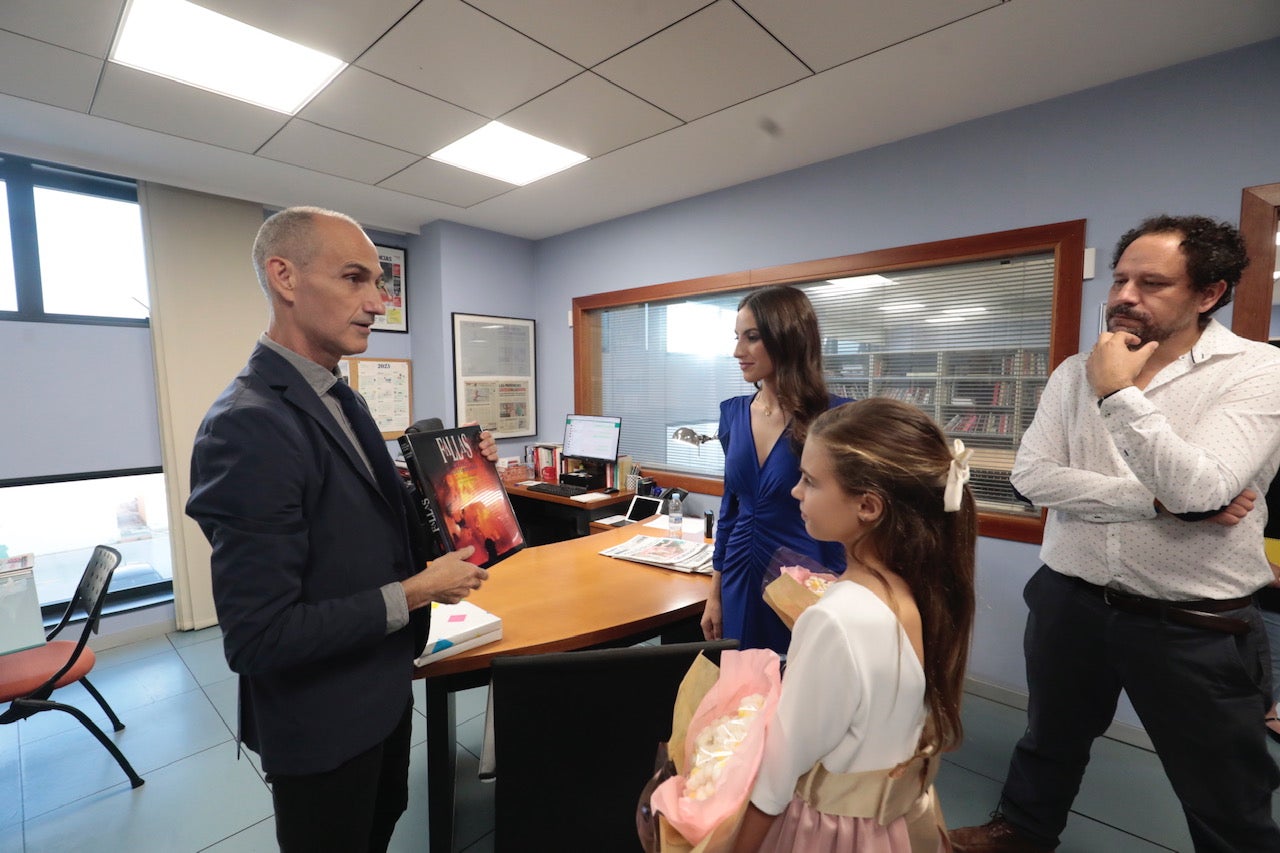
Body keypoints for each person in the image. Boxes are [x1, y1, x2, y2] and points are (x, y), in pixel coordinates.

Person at [950, 215, 1280, 853]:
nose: (1125, 295)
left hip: (1194, 622)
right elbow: (1032, 477)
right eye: (1121, 278)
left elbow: (1202, 489)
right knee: (1048, 740)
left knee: (1225, 790)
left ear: (1208, 294)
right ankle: (1019, 832)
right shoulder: (1073, 370)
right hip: (1069, 598)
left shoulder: (1257, 370)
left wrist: (1116, 393)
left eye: (1152, 283)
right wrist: (1155, 502)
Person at [186, 206, 493, 853]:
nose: (377, 302)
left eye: (378, 283)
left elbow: (362, 511)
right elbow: (259, 635)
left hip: (381, 693)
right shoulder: (246, 424)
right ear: (285, 277)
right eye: (355, 278)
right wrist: (416, 590)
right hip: (321, 723)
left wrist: (457, 474)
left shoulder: (339, 395)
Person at [731, 397, 977, 852]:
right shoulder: (920, 590)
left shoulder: (834, 619)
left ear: (867, 506)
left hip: (831, 833)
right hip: (896, 825)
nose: (795, 493)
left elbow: (776, 780)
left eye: (809, 481)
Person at [703, 286, 848, 654]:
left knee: (798, 687)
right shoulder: (733, 414)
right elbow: (730, 509)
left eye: (752, 338)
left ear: (788, 338)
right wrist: (714, 593)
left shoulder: (834, 417)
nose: (738, 351)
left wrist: (843, 589)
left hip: (804, 575)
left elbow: (848, 516)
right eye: (737, 337)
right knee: (744, 691)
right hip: (738, 572)